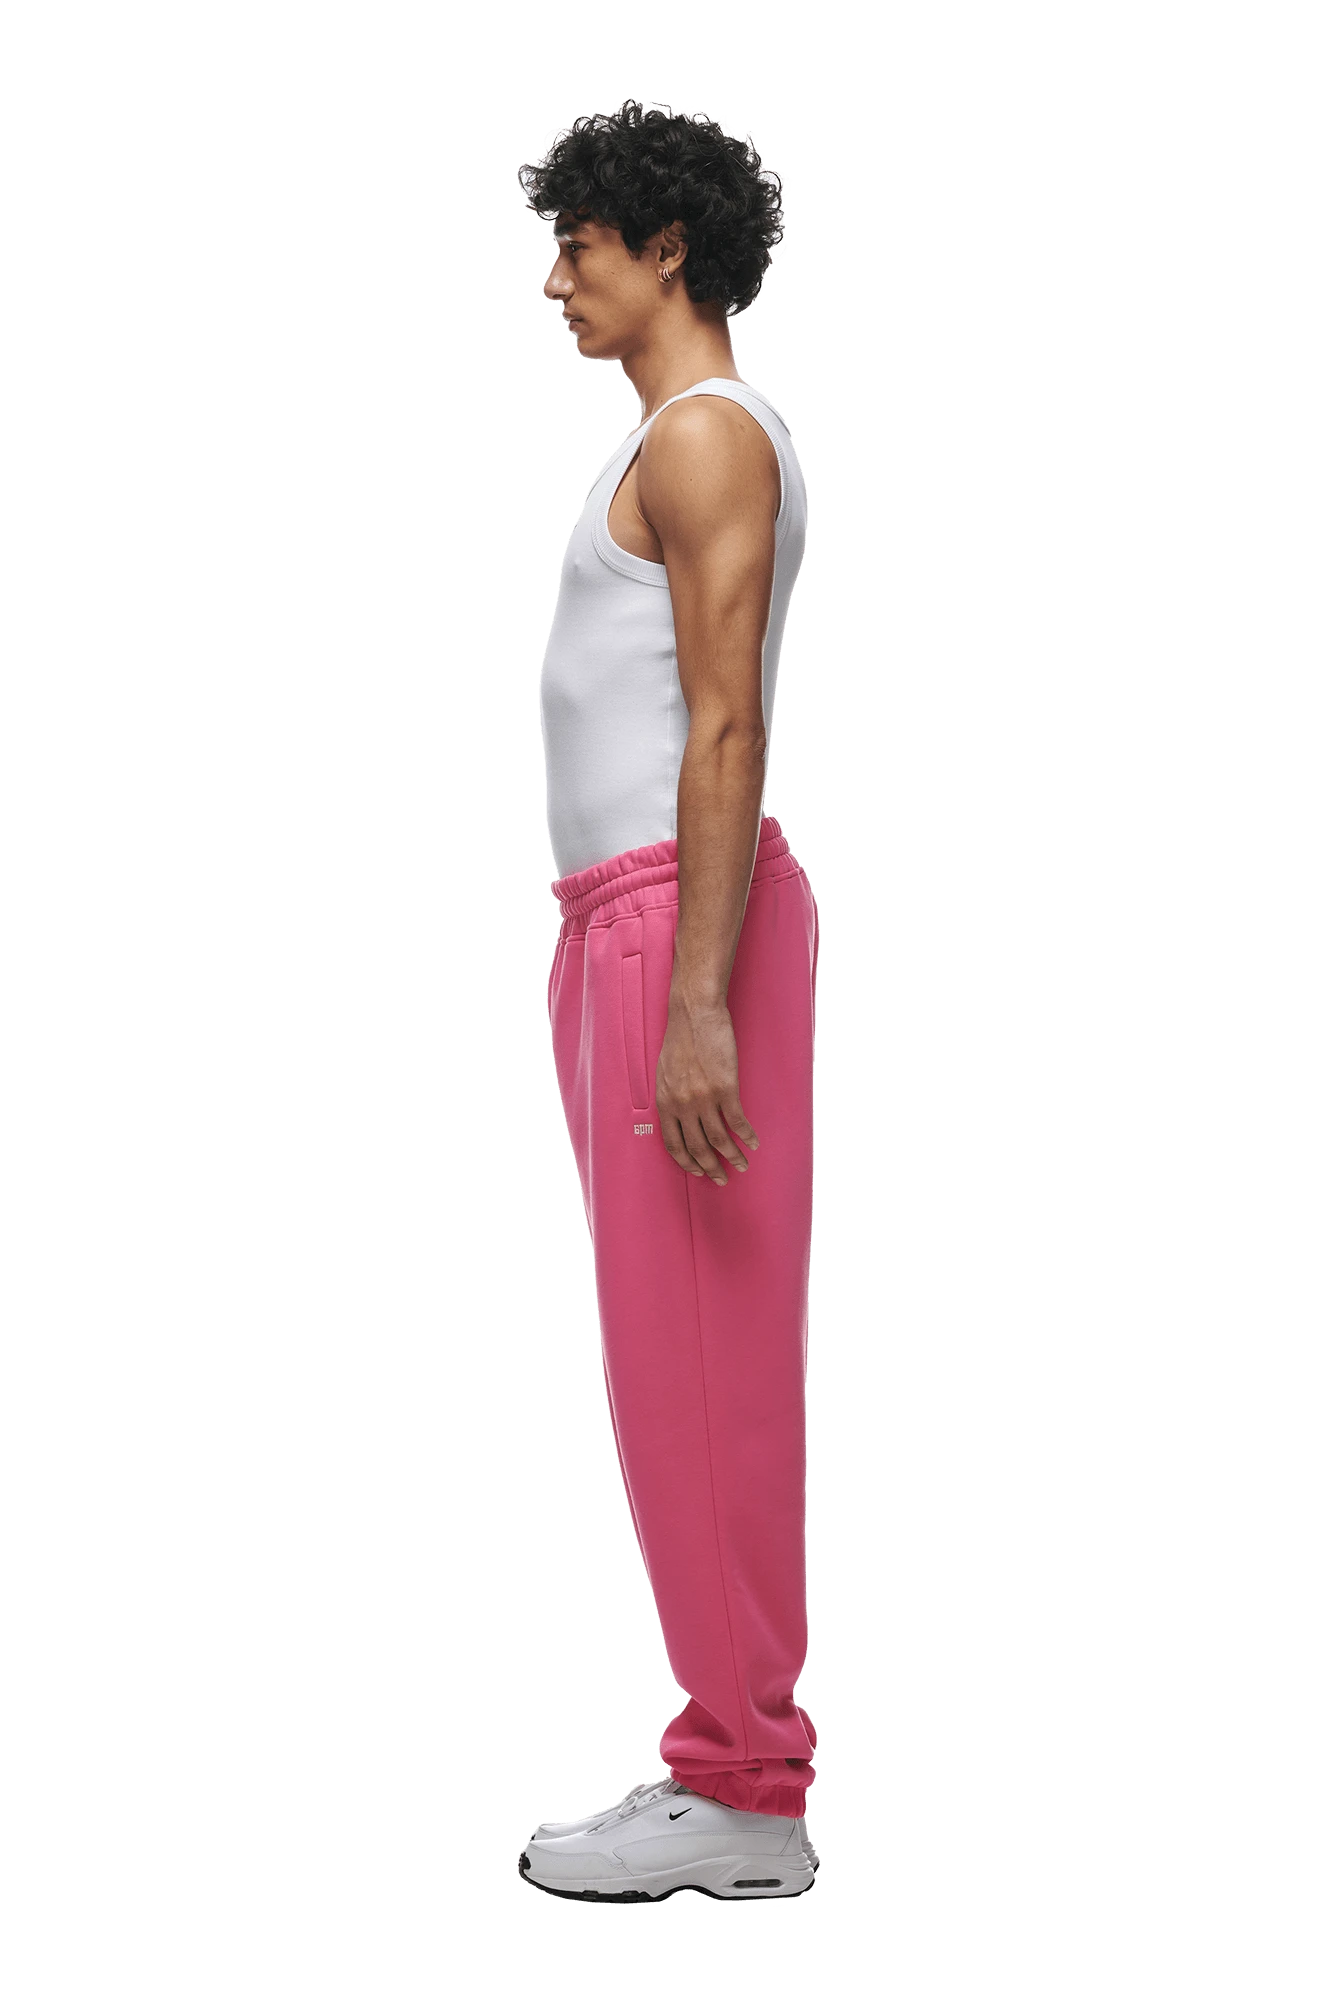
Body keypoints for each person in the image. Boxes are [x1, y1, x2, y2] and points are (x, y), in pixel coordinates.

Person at [522, 102, 818, 1904]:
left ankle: (746, 1786)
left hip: (676, 928)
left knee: (700, 1360)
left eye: (577, 251)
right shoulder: (671, 439)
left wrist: (693, 995)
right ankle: (731, 1760)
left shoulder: (706, 438)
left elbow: (726, 723)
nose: (558, 282)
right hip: (629, 923)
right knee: (670, 1360)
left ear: (667, 247)